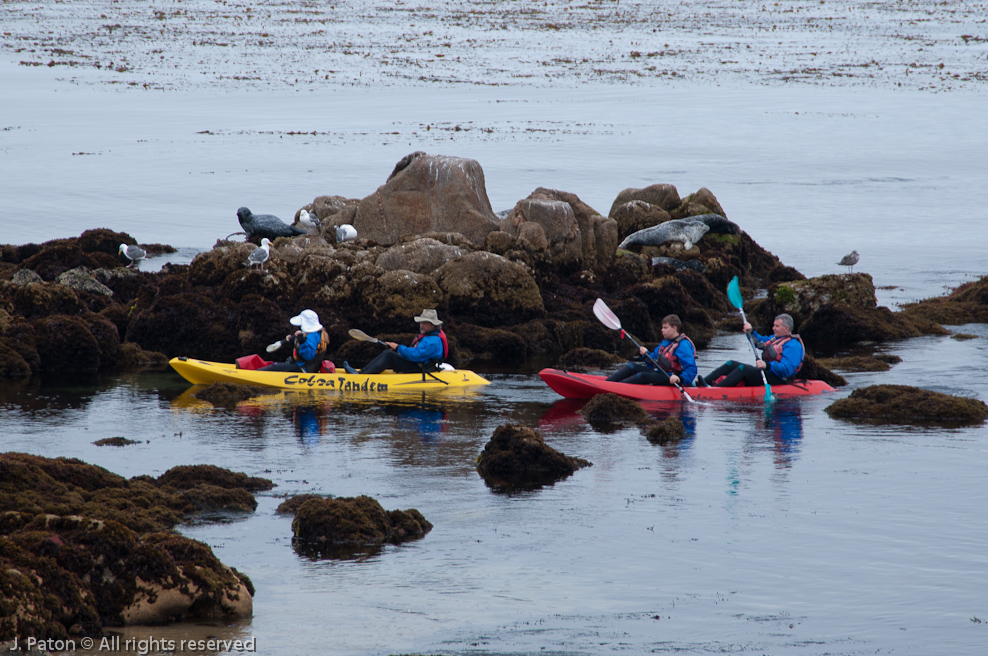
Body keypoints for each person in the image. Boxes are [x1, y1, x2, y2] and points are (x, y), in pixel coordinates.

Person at [695, 313, 804, 387]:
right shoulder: (775, 339)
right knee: (731, 364)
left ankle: (715, 390)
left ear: (786, 329)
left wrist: (767, 365)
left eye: (777, 326)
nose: (773, 328)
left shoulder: (793, 346)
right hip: (768, 373)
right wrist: (750, 332)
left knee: (744, 369)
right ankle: (700, 383)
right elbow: (760, 341)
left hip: (780, 379)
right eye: (774, 325)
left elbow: (786, 369)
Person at [343, 309, 448, 375]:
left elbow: (416, 355)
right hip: (418, 364)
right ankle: (361, 372)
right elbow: (415, 353)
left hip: (422, 369)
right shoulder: (429, 337)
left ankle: (361, 376)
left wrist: (398, 347)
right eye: (421, 322)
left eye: (425, 323)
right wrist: (397, 349)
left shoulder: (433, 341)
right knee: (388, 353)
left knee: (389, 355)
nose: (421, 325)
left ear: (433, 324)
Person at [605, 314, 697, 386]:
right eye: (662, 327)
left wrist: (679, 378)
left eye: (665, 328)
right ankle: (608, 383)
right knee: (632, 366)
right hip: (661, 373)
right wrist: (645, 354)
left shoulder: (683, 345)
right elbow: (653, 360)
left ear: (674, 328)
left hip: (672, 378)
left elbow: (691, 369)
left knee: (642, 375)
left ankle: (614, 389)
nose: (662, 330)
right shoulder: (665, 342)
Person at [259, 309, 329, 373]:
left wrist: (302, 342)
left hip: (304, 370)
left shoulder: (312, 336)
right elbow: (300, 354)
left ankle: (253, 374)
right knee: (280, 365)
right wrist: (293, 342)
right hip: (306, 368)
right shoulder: (317, 333)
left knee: (274, 367)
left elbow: (308, 356)